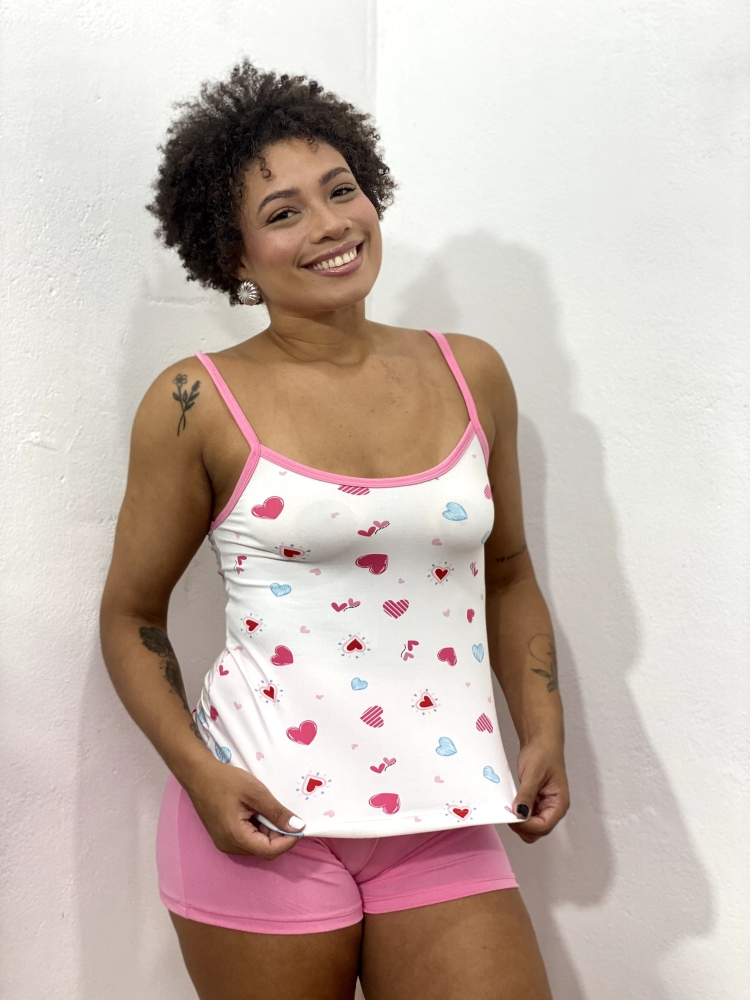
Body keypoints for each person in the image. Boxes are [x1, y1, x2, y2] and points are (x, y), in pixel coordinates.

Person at [100, 59, 569, 1000]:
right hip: (261, 810)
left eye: (341, 190)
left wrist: (544, 725)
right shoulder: (197, 402)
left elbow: (509, 569)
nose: (329, 225)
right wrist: (200, 776)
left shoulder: (471, 373)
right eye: (283, 212)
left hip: (441, 810)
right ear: (232, 255)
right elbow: (130, 616)